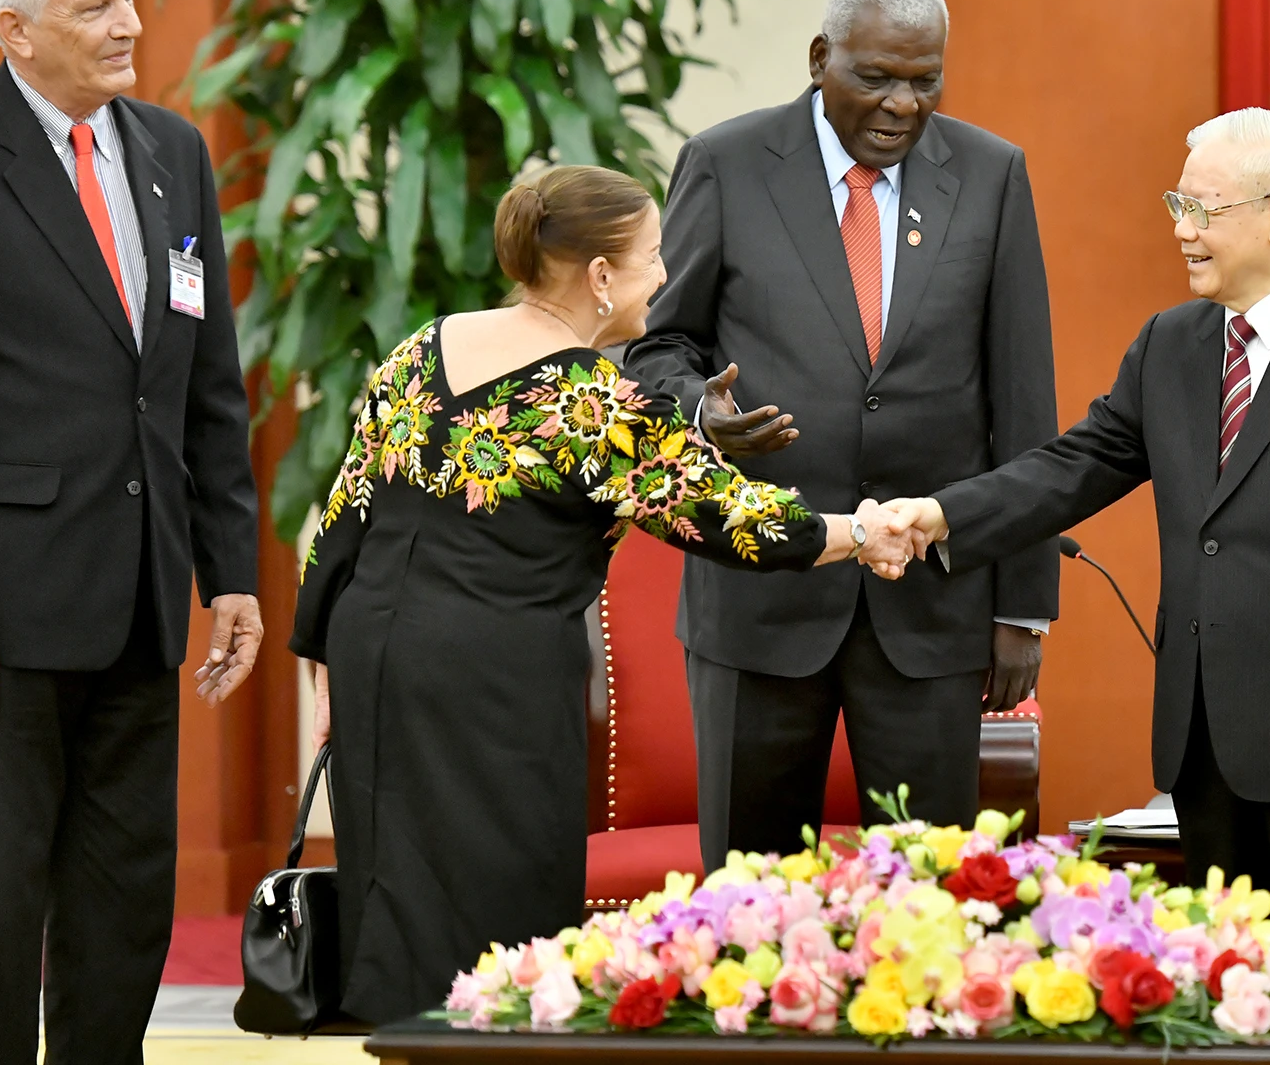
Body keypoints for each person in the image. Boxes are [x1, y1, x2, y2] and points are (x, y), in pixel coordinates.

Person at [295, 164, 918, 1025]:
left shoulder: (420, 348)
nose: (663, 276)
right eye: (653, 257)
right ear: (598, 276)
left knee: (394, 899)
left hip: (379, 662)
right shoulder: (591, 402)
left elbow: (340, 522)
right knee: (500, 920)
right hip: (498, 681)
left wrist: (324, 663)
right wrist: (869, 529)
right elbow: (738, 521)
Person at [881, 108, 1270, 953]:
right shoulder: (1170, 346)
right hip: (1203, 743)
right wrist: (943, 514)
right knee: (1224, 989)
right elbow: (1071, 468)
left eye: (1203, 210)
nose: (1182, 229)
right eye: (1176, 204)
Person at [0, 0, 263, 1064]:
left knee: (124, 907)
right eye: (96, 7)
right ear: (16, 30)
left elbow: (206, 386)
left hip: (140, 603)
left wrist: (228, 572)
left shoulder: (173, 152)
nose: (130, 21)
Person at [624, 0, 1060, 867]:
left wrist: (1024, 604)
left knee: (929, 904)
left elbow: (1023, 403)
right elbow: (658, 348)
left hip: (932, 610)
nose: (903, 104)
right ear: (821, 57)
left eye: (925, 79)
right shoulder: (726, 163)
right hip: (759, 597)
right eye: (877, 78)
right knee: (747, 905)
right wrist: (699, 415)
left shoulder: (991, 175)